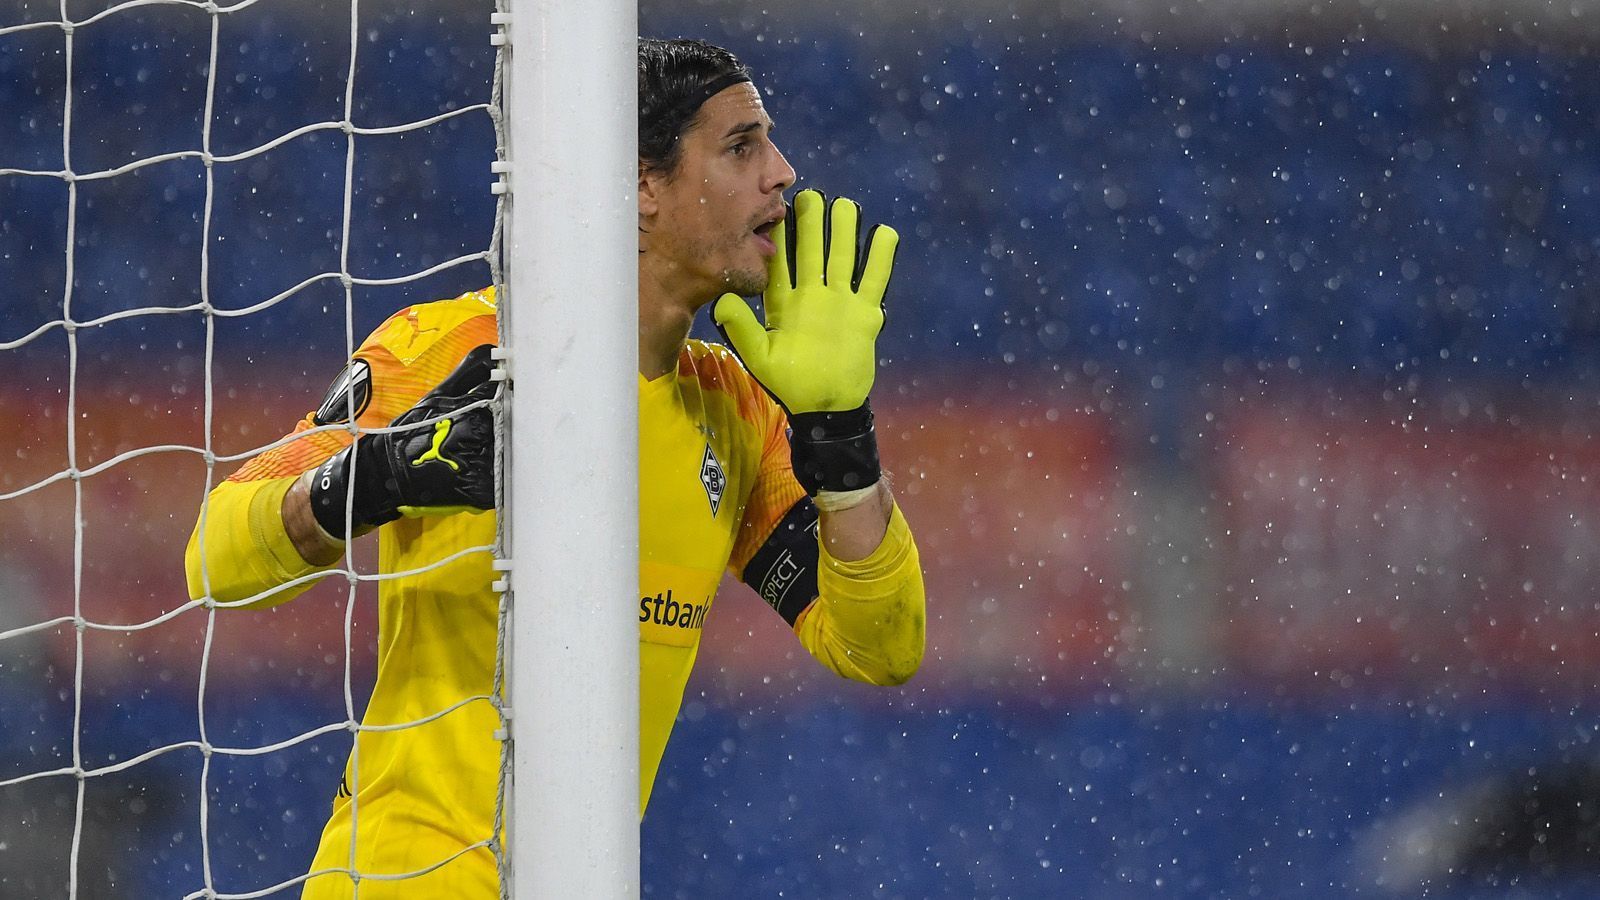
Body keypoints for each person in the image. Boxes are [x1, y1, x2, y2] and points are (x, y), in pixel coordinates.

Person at [184, 37, 926, 897]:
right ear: (642, 185)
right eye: (740, 146)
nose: (783, 173)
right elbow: (214, 559)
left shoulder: (735, 408)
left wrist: (841, 435)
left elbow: (881, 647)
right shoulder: (463, 350)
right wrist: (382, 476)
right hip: (403, 877)